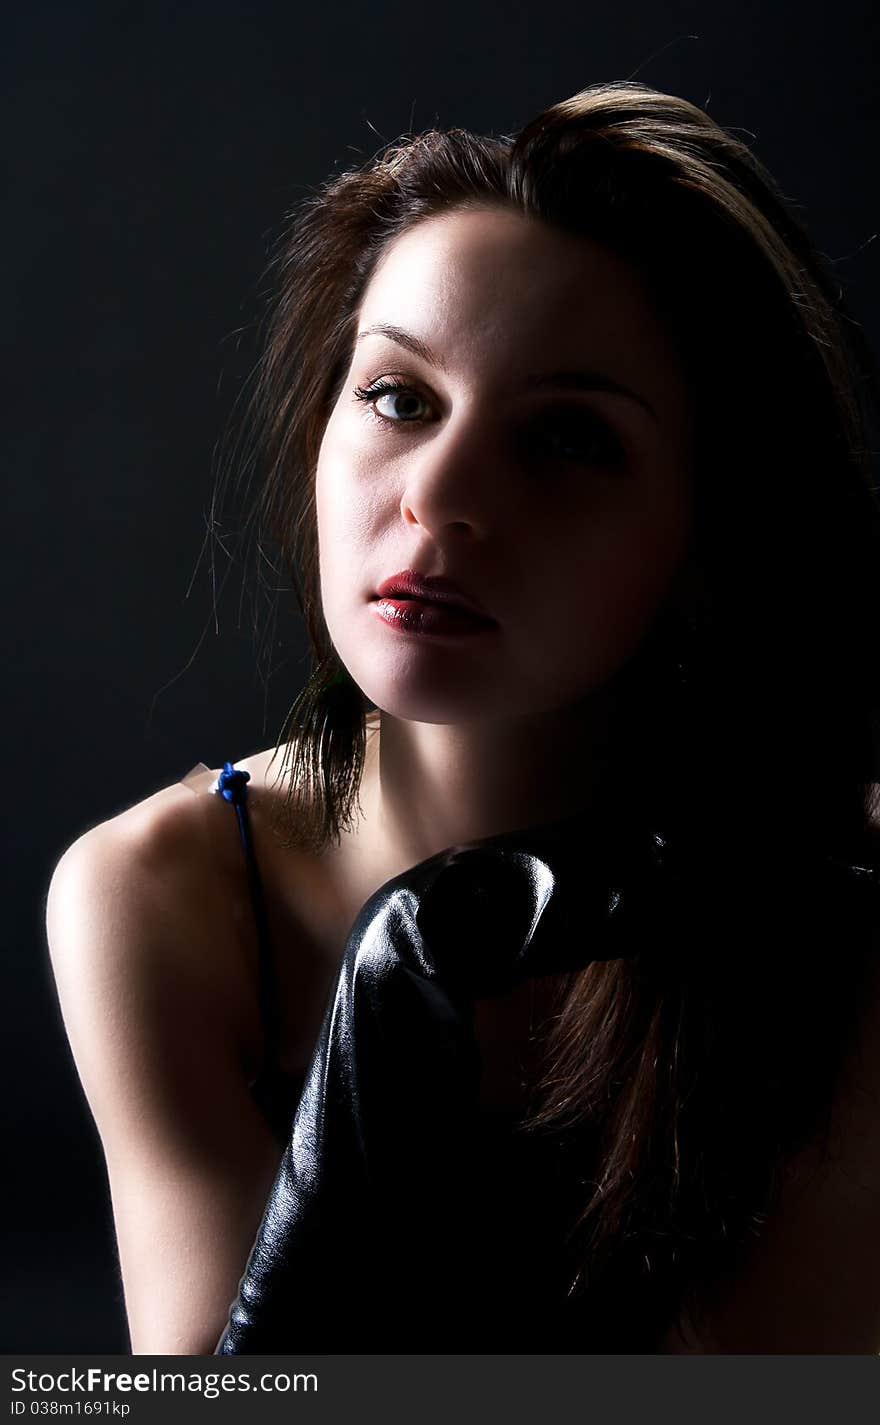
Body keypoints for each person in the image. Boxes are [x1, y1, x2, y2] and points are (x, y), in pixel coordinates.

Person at [46, 80, 880, 1355]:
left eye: (565, 439)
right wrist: (388, 998)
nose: (437, 502)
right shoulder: (160, 898)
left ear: (710, 530)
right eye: (397, 398)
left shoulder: (828, 905)